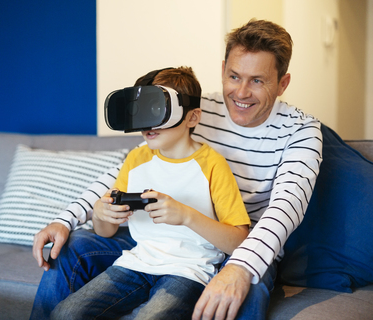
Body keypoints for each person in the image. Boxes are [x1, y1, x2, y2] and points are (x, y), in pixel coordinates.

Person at [30, 19, 323, 320]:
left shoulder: (302, 131)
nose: (242, 92)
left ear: (283, 83)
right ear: (223, 69)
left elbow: (286, 209)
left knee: (246, 290)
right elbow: (124, 173)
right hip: (158, 239)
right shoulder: (189, 107)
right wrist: (67, 218)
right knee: (70, 245)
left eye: (257, 81)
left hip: (239, 242)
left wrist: (241, 266)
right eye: (234, 76)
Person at [51, 66, 251, 319]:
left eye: (158, 110)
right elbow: (106, 231)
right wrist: (101, 215)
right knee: (65, 313)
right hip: (136, 262)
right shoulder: (136, 158)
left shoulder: (212, 165)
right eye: (142, 111)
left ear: (192, 118)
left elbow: (239, 241)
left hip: (190, 270)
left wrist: (186, 216)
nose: (147, 125)